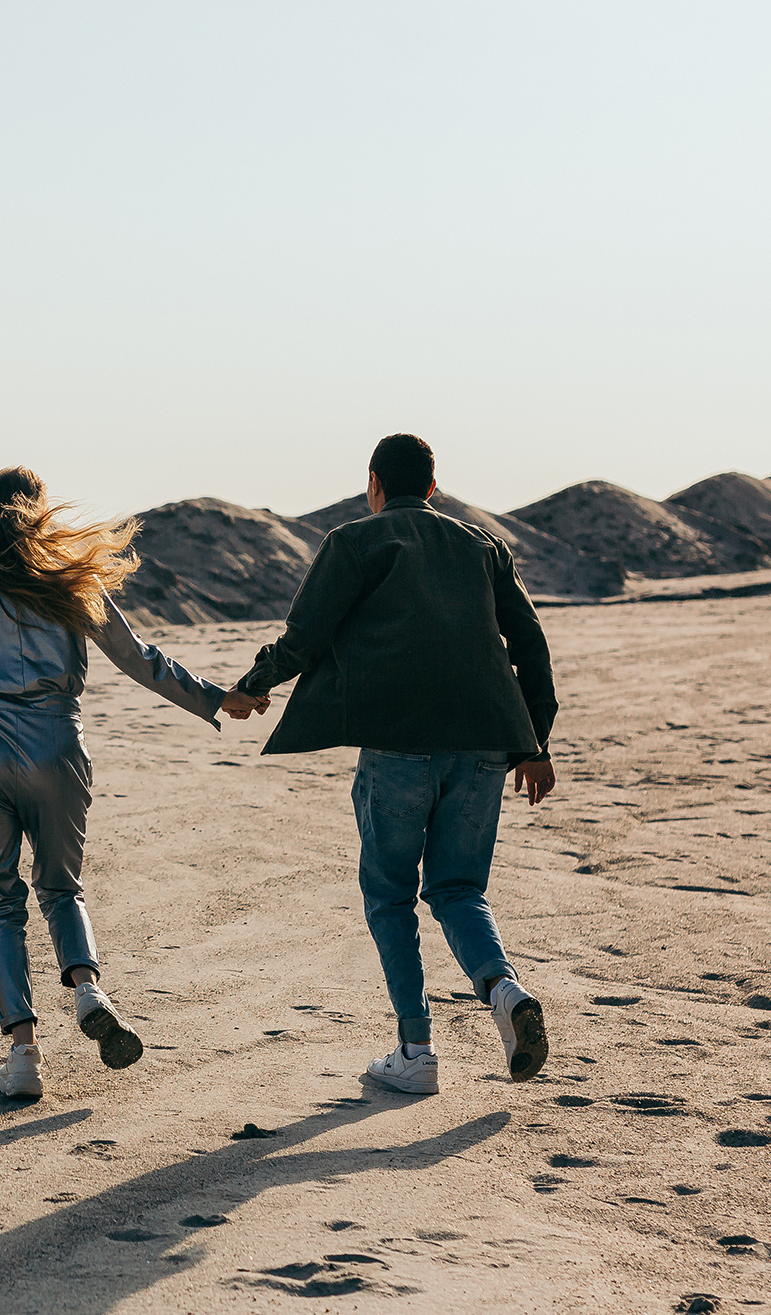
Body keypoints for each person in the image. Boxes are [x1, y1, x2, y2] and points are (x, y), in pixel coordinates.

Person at [227, 434, 558, 1094]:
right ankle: (504, 990)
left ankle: (416, 1049)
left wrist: (254, 683)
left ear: (373, 483)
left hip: (401, 743)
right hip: (487, 742)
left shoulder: (356, 542)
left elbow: (306, 634)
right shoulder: (482, 545)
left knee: (389, 892)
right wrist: (535, 743)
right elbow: (530, 643)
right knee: (460, 889)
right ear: (432, 487)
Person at [0, 466, 265, 1099]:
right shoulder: (73, 584)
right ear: (41, 514)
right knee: (61, 887)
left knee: (0, 904)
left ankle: (23, 1054)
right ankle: (88, 991)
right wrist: (215, 698)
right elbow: (141, 659)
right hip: (58, 743)